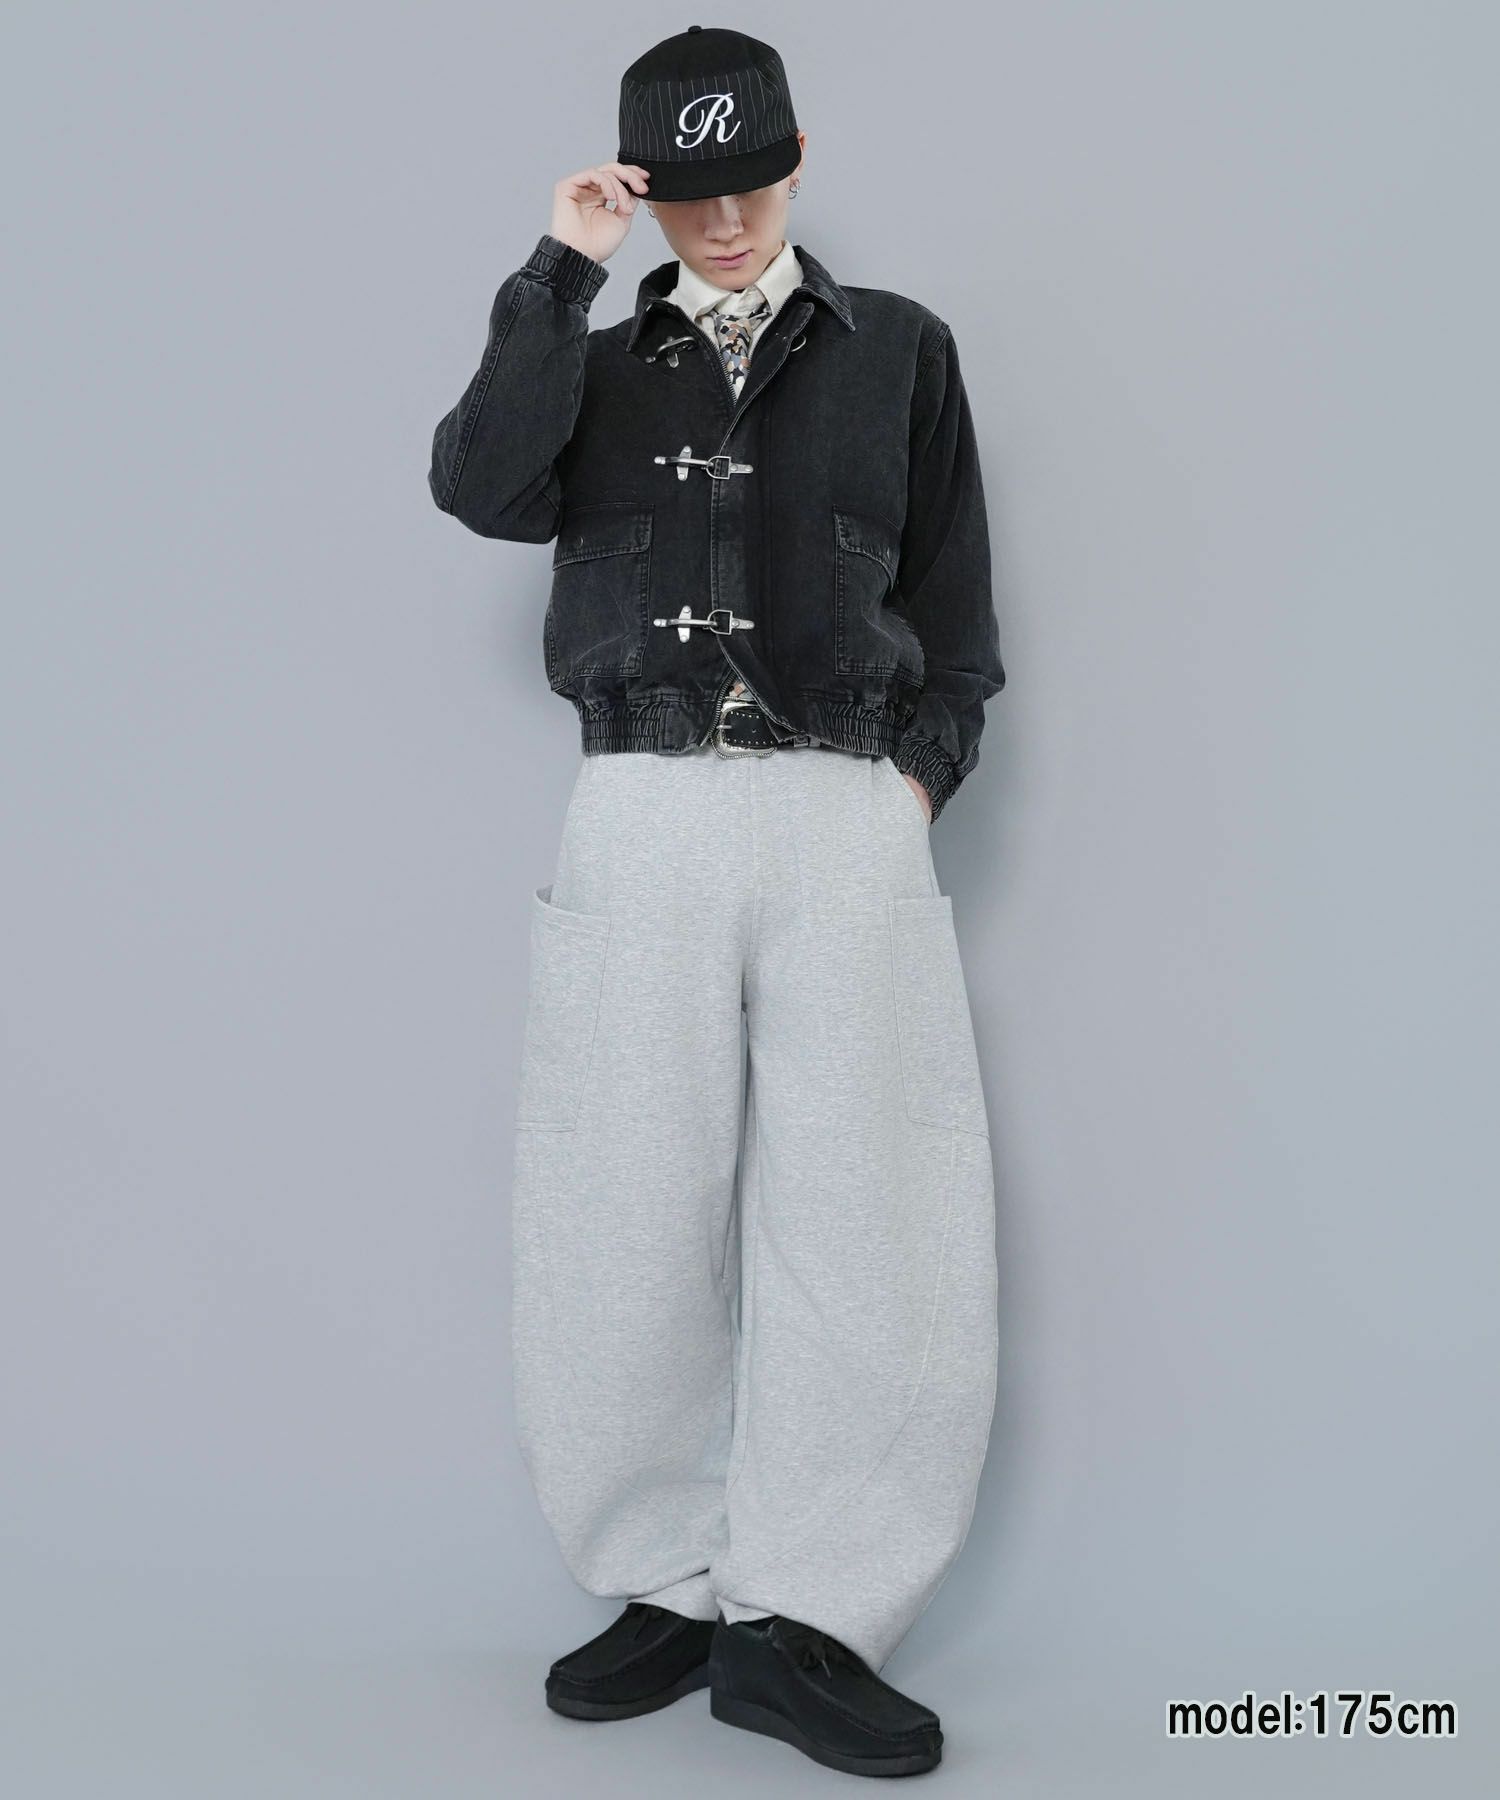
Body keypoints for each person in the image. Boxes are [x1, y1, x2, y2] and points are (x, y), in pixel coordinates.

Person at [428, 25, 1005, 1779]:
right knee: (616, 1204)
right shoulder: (592, 360)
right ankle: (662, 1580)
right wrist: (561, 268)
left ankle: (806, 1614)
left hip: (845, 815)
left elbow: (958, 608)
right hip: (643, 808)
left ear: (799, 159)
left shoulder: (901, 349)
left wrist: (915, 780)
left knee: (871, 1215)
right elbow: (477, 487)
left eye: (750, 181)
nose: (728, 219)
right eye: (686, 193)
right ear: (643, 191)